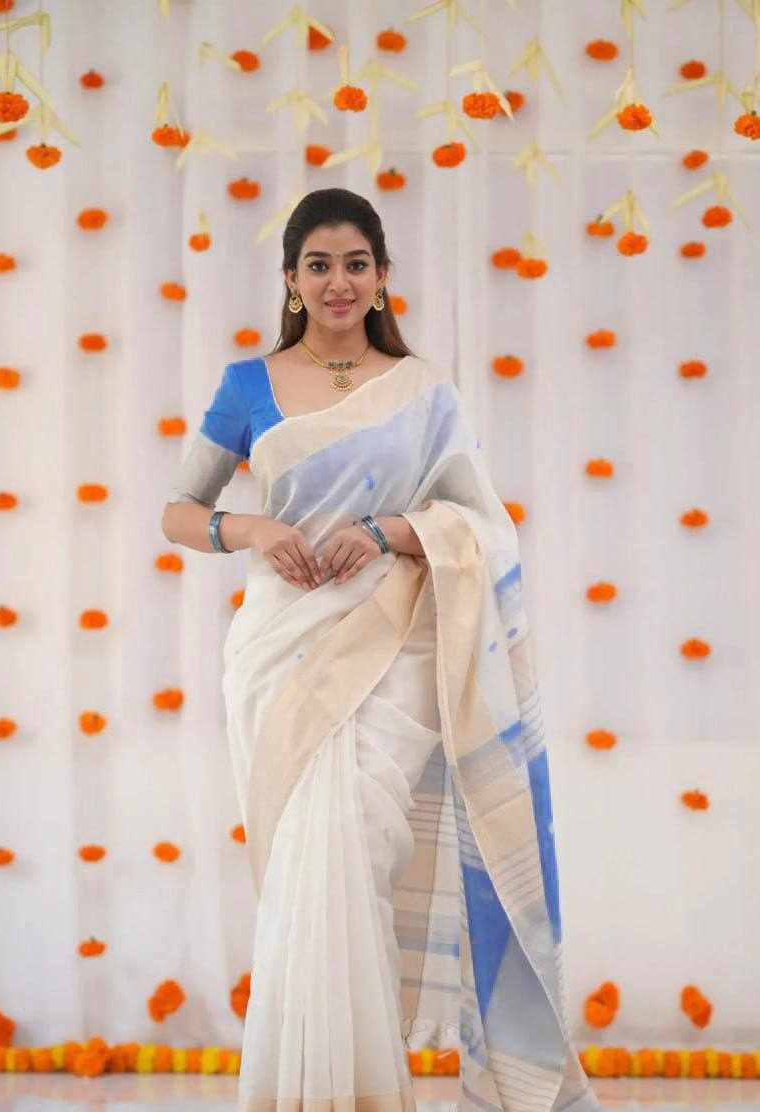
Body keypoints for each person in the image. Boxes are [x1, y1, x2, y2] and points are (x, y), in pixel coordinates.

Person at [162, 188, 603, 1112]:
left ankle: (363, 1090)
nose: (338, 282)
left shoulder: (423, 389)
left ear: (382, 276)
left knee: (355, 849)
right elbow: (178, 510)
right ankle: (302, 1091)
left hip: (393, 642)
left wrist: (387, 529)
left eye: (355, 264)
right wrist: (249, 530)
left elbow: (484, 523)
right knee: (302, 863)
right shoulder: (247, 384)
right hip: (280, 648)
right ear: (290, 279)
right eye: (318, 265)